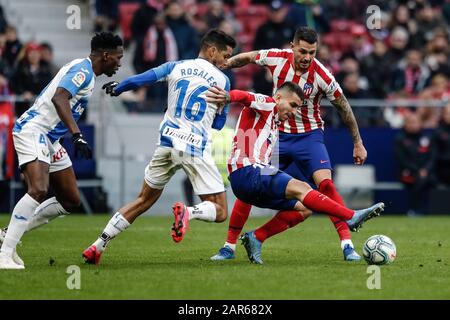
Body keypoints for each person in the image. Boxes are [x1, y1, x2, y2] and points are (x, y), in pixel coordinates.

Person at [211, 26, 368, 261]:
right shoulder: (277, 58)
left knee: (325, 185)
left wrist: (358, 142)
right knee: (250, 185)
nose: (307, 58)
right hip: (278, 135)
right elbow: (249, 57)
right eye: (303, 51)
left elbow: (343, 106)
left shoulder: (322, 76)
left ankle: (347, 245)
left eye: (312, 53)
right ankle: (229, 247)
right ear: (292, 46)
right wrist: (225, 65)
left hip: (309, 136)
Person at [82, 29, 236, 265]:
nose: (227, 62)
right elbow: (218, 124)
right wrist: (223, 105)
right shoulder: (222, 80)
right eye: (225, 56)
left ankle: (97, 245)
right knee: (221, 211)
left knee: (143, 200)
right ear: (212, 50)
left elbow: (145, 78)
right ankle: (188, 212)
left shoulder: (175, 66)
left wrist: (120, 87)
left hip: (166, 142)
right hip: (194, 145)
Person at [206, 83, 384, 264]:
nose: (294, 112)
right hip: (246, 171)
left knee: (304, 208)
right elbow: (245, 96)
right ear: (278, 98)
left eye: (298, 108)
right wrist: (229, 96)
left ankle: (255, 238)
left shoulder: (272, 126)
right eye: (292, 105)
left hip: (249, 179)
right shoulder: (267, 102)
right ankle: (350, 216)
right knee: (302, 187)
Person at [0, 32, 124, 269]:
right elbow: (60, 98)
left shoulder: (88, 73)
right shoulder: (83, 71)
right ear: (106, 55)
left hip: (49, 138)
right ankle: (4, 254)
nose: (120, 63)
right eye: (118, 57)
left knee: (70, 199)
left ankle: (8, 235)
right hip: (34, 130)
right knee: (38, 189)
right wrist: (77, 135)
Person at [394, 113, 436, 216]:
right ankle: (415, 210)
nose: (413, 125)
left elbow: (432, 157)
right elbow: (402, 160)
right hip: (408, 172)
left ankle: (429, 210)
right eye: (411, 122)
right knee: (419, 180)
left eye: (416, 122)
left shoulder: (427, 138)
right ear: (406, 124)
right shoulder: (400, 139)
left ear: (420, 123)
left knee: (431, 180)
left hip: (426, 173)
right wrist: (418, 170)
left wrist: (425, 169)